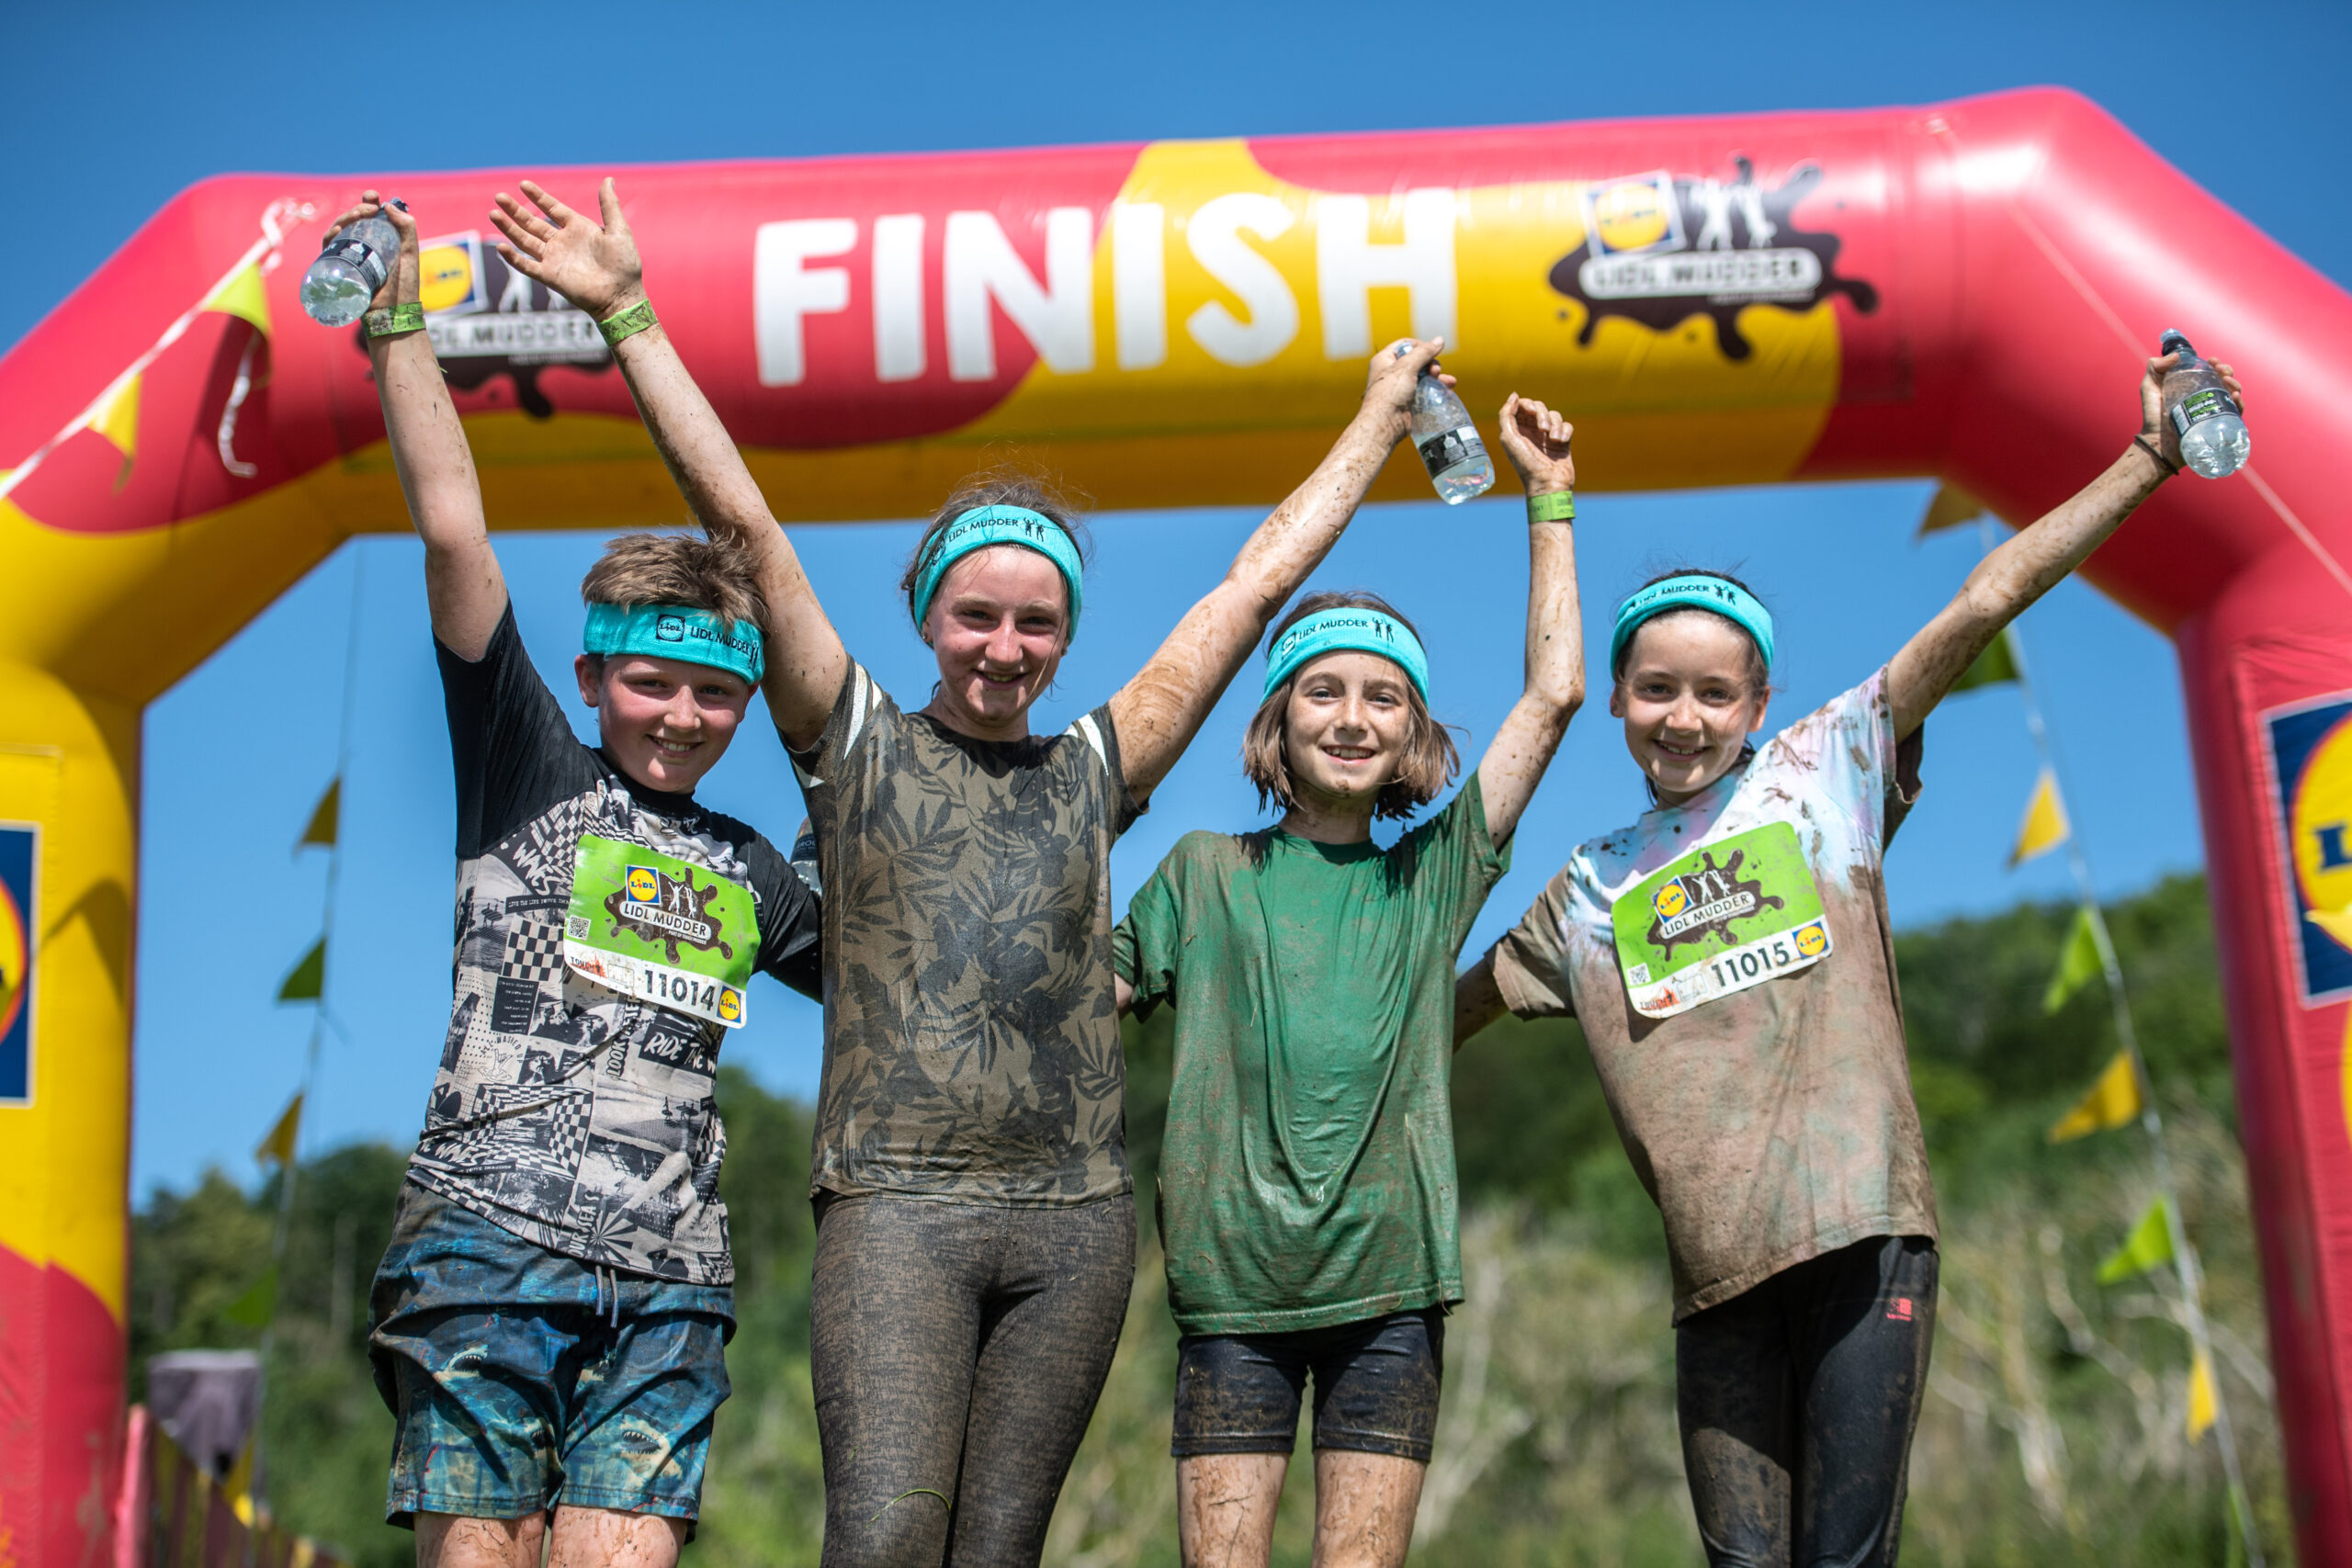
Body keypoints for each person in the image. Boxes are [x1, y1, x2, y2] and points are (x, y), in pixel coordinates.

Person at [482, 176, 1464, 1568]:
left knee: (999, 1548)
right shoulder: (855, 737)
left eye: (1037, 622)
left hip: (1074, 1221)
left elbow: (1248, 592)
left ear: (1065, 639)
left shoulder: (1095, 767)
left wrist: (1375, 420)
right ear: (929, 616)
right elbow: (751, 534)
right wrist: (627, 312)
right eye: (977, 614)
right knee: (881, 1537)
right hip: (895, 1202)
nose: (1005, 644)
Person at [1453, 352, 2246, 1566]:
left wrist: (2145, 459)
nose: (1684, 714)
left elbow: (1980, 606)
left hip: (1865, 1234)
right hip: (1714, 1279)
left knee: (1847, 1559)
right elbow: (1435, 1013)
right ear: (1617, 699)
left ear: (1759, 701)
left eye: (1714, 692)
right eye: (1656, 687)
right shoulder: (1588, 888)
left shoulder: (1827, 767)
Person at [339, 191, 824, 1566]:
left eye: (714, 694)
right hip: (486, 1243)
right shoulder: (529, 763)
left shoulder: (748, 869)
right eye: (653, 683)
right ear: (596, 679)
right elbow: (453, 534)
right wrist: (397, 323)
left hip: (672, 1279)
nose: (680, 714)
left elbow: (894, 971)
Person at [1113, 397, 1583, 1568]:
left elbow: (1556, 696)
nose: (1354, 717)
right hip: (1229, 1298)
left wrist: (1549, 499)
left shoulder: (1435, 875)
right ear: (1276, 718)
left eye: (1384, 697)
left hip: (1389, 1293)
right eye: (1324, 691)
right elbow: (1076, 1007)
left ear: (1413, 732)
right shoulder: (1200, 876)